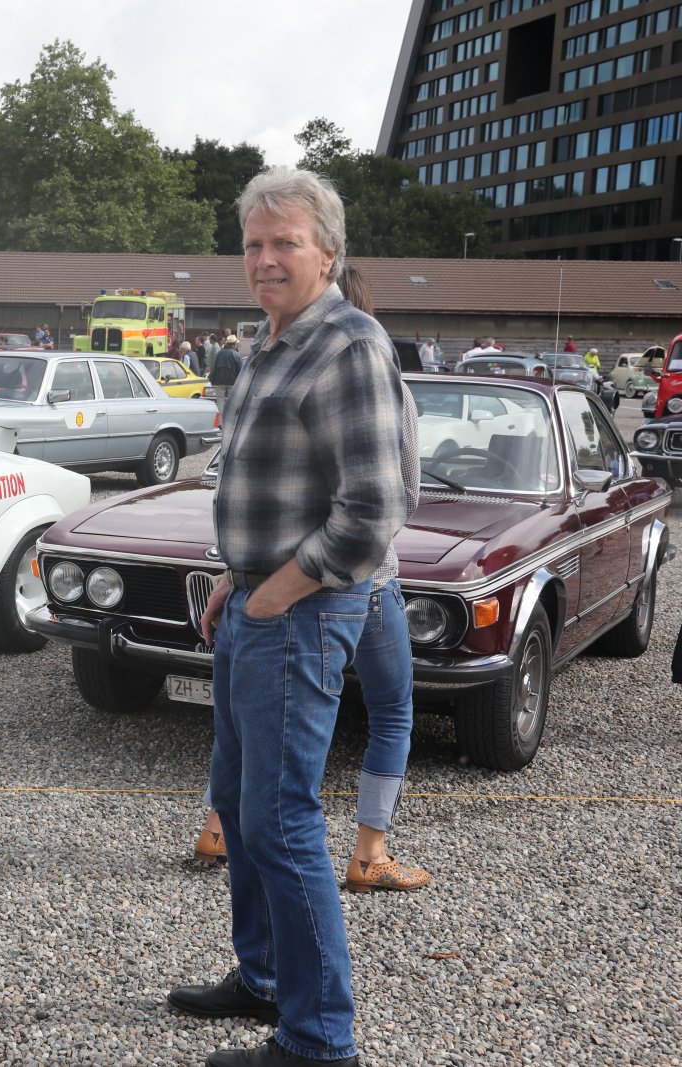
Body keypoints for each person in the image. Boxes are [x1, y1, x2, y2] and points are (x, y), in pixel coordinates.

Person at [166, 168, 410, 1067]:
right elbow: (268, 484)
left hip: (302, 610)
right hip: (255, 596)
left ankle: (318, 1040)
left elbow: (375, 509)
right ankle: (264, 975)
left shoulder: (348, 344)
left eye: (285, 243)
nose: (265, 259)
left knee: (279, 818)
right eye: (253, 244)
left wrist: (278, 588)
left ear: (328, 253)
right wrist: (236, 577)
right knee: (238, 804)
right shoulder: (270, 341)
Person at [195, 262, 429, 897]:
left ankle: (217, 826)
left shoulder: (303, 363)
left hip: (286, 585)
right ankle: (370, 851)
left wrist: (253, 581)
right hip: (363, 583)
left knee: (249, 727)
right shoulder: (387, 387)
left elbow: (264, 492)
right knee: (390, 711)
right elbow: (400, 497)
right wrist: (262, 587)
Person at [207, 334, 242, 414]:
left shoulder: (219, 353)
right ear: (234, 344)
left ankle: (221, 419)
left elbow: (215, 367)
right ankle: (229, 418)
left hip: (219, 382)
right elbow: (240, 371)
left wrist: (212, 379)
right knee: (232, 401)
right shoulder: (237, 355)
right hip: (233, 382)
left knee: (220, 401)